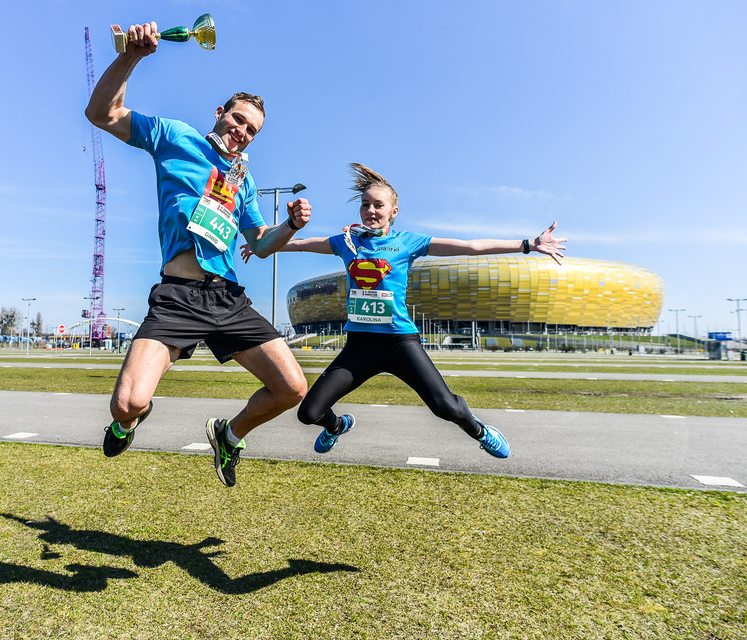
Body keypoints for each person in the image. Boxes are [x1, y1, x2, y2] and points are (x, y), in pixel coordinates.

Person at [85, 22, 311, 487]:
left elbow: (262, 246)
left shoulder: (243, 182)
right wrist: (133, 57)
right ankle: (127, 424)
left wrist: (289, 225)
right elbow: (101, 113)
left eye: (251, 130)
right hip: (177, 296)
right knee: (127, 402)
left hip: (227, 299)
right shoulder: (174, 137)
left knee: (292, 388)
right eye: (237, 119)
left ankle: (230, 435)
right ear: (220, 113)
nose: (242, 131)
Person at [242, 163, 566, 457]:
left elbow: (470, 247)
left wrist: (527, 245)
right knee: (308, 412)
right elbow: (297, 243)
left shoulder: (408, 242)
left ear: (393, 211)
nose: (370, 210)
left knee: (445, 407)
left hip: (400, 342)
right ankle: (338, 426)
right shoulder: (347, 242)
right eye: (365, 204)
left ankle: (479, 430)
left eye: (378, 205)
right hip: (359, 346)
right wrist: (261, 243)